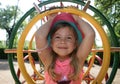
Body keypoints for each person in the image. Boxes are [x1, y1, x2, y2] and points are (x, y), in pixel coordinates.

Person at [35, 12, 95, 84]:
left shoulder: (78, 60)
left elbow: (90, 34)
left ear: (75, 44)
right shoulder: (49, 60)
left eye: (69, 38)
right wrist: (52, 19)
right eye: (58, 37)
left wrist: (77, 19)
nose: (63, 41)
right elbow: (39, 36)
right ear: (51, 42)